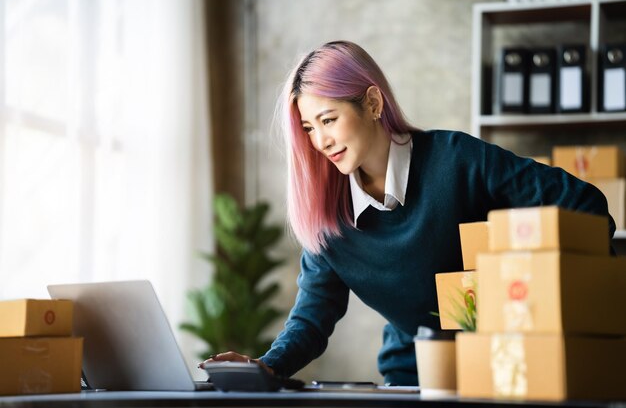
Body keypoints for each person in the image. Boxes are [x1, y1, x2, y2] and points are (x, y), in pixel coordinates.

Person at [198, 40, 615, 386]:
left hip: (503, 371)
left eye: (328, 119)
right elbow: (312, 317)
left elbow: (586, 206)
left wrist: (512, 277)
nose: (320, 141)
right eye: (309, 128)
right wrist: (265, 367)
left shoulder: (456, 160)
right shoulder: (326, 217)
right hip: (410, 381)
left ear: (373, 103)